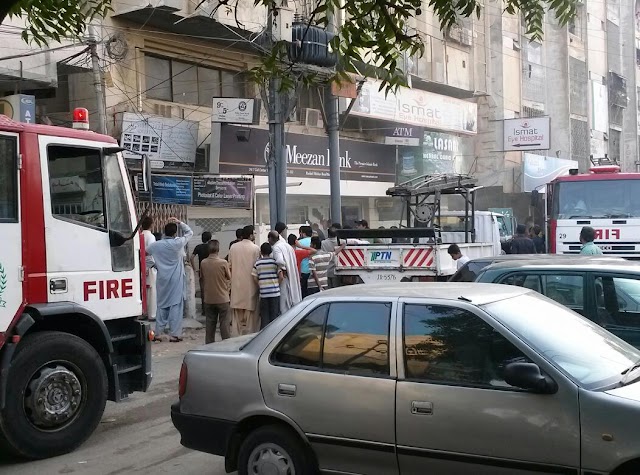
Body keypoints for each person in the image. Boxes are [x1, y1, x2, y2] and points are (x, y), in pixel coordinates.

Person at [146, 217, 193, 342]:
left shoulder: (156, 245)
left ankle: (158, 333)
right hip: (176, 280)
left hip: (162, 278)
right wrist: (179, 222)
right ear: (175, 233)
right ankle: (175, 334)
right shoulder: (177, 243)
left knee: (162, 305)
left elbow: (144, 254)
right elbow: (190, 233)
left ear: (164, 232)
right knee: (175, 305)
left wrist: (153, 265)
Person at [228, 225, 261, 335]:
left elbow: (229, 266)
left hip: (236, 287)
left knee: (236, 320)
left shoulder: (233, 247)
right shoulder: (255, 249)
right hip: (251, 287)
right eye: (254, 233)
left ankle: (236, 338)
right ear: (250, 235)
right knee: (251, 321)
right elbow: (257, 268)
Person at [200, 240, 231, 343]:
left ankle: (209, 345)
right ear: (218, 249)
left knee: (210, 323)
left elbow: (202, 277)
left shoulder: (203, 263)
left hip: (209, 298)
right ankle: (226, 344)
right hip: (223, 298)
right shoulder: (223, 263)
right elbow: (229, 277)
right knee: (224, 323)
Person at [270, 223, 302, 313]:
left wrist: (283, 270)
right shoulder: (286, 245)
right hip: (290, 276)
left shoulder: (276, 247)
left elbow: (280, 261)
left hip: (283, 278)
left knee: (283, 302)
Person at [252, 242, 283, 329]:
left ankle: (265, 334)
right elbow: (281, 277)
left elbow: (254, 277)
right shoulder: (275, 262)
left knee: (265, 317)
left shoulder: (257, 263)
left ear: (261, 252)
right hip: (275, 293)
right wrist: (276, 284)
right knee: (275, 317)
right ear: (270, 251)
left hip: (264, 294)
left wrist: (260, 285)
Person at [191, 231, 212, 316]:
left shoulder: (198, 247)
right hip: (211, 270)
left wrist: (195, 269)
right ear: (210, 238)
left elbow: (191, 258)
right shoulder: (211, 247)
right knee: (211, 289)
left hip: (202, 271)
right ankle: (211, 309)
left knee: (203, 290)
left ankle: (204, 310)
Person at [141, 216, 157, 322]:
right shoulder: (150, 236)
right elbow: (151, 251)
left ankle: (144, 312)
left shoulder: (139, 235)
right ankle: (152, 314)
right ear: (151, 225)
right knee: (151, 290)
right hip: (149, 265)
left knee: (143, 290)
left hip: (141, 265)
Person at [297, 226, 313, 298]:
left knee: (303, 292)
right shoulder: (314, 241)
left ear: (303, 233)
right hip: (313, 270)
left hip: (303, 270)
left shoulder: (299, 243)